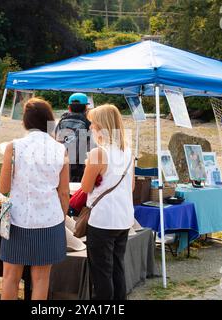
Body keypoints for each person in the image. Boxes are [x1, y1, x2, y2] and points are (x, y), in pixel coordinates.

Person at [0, 98, 69, 300]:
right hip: (50, 220)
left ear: (25, 121)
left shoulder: (13, 146)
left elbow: (4, 187)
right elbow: (64, 193)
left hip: (17, 219)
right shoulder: (60, 149)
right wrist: (61, 217)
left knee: (10, 277)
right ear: (49, 120)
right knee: (41, 279)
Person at [80, 104, 135, 300]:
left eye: (92, 124)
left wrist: (89, 167)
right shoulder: (127, 151)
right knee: (117, 268)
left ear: (101, 126)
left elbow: (85, 187)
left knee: (101, 273)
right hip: (124, 217)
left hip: (103, 219)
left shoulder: (98, 153)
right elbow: (131, 187)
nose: (90, 128)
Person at [55, 93, 92, 182]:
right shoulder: (88, 124)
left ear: (69, 107)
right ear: (86, 108)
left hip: (62, 164)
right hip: (80, 167)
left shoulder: (61, 122)